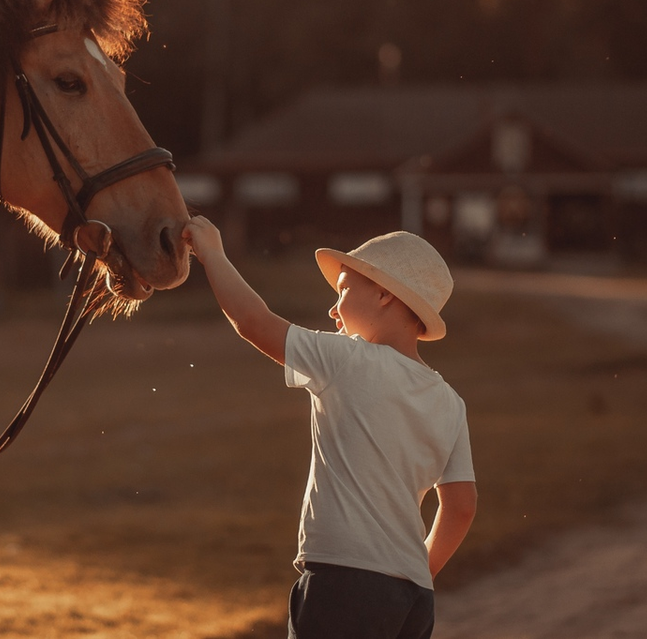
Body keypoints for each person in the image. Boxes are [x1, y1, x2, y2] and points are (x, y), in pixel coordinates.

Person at [183, 217, 477, 639]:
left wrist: (211, 253)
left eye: (342, 291)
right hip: (414, 597)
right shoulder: (450, 401)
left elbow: (252, 321)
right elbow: (461, 506)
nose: (332, 307)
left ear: (383, 295)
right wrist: (414, 570)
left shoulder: (346, 360)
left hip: (344, 583)